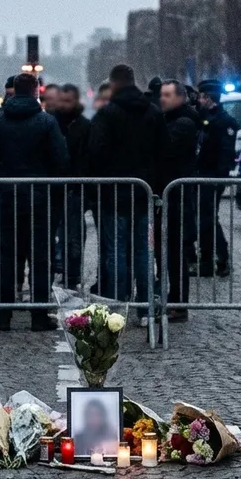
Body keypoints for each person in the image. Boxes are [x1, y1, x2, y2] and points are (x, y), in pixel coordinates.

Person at [0, 72, 69, 332]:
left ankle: (3, 316)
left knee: (7, 257)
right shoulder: (46, 122)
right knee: (41, 258)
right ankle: (39, 316)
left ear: (13, 91)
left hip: (6, 196)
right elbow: (60, 160)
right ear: (36, 91)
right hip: (39, 197)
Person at [87, 64, 167, 320]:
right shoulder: (153, 112)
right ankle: (146, 310)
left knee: (115, 254)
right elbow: (164, 153)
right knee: (144, 254)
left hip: (113, 195)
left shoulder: (106, 114)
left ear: (113, 84)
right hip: (145, 194)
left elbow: (95, 153)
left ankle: (116, 310)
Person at [156, 80, 201, 321]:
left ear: (180, 97)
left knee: (175, 252)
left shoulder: (183, 123)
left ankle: (178, 302)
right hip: (170, 193)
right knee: (168, 251)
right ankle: (173, 299)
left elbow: (164, 149)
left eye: (166, 95)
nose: (161, 99)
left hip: (177, 195)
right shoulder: (175, 120)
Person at [192, 79, 240, 277]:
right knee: (204, 220)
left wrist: (217, 179)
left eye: (202, 97)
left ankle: (222, 258)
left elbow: (226, 154)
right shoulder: (203, 118)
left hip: (212, 178)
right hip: (201, 176)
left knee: (208, 219)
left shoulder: (224, 121)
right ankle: (207, 260)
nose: (199, 100)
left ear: (209, 98)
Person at [51, 84, 91, 290]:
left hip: (74, 187)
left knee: (73, 235)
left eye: (68, 101)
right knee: (56, 233)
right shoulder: (51, 123)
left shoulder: (83, 125)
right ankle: (61, 273)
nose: (64, 105)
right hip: (56, 186)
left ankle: (72, 275)